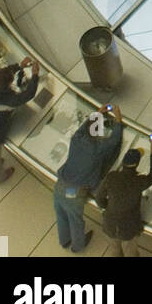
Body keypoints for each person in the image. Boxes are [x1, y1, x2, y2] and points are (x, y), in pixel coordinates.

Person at [54, 104, 124, 255]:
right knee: (75, 220)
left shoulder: (77, 139)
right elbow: (114, 140)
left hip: (59, 184)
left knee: (61, 215)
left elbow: (84, 127)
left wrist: (97, 114)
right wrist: (118, 119)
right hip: (72, 192)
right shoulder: (98, 149)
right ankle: (78, 246)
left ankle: (64, 240)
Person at [95, 136, 152, 257]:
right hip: (128, 229)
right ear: (137, 164)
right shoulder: (138, 181)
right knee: (131, 253)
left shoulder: (112, 177)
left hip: (109, 224)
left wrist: (110, 207)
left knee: (114, 251)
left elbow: (99, 199)